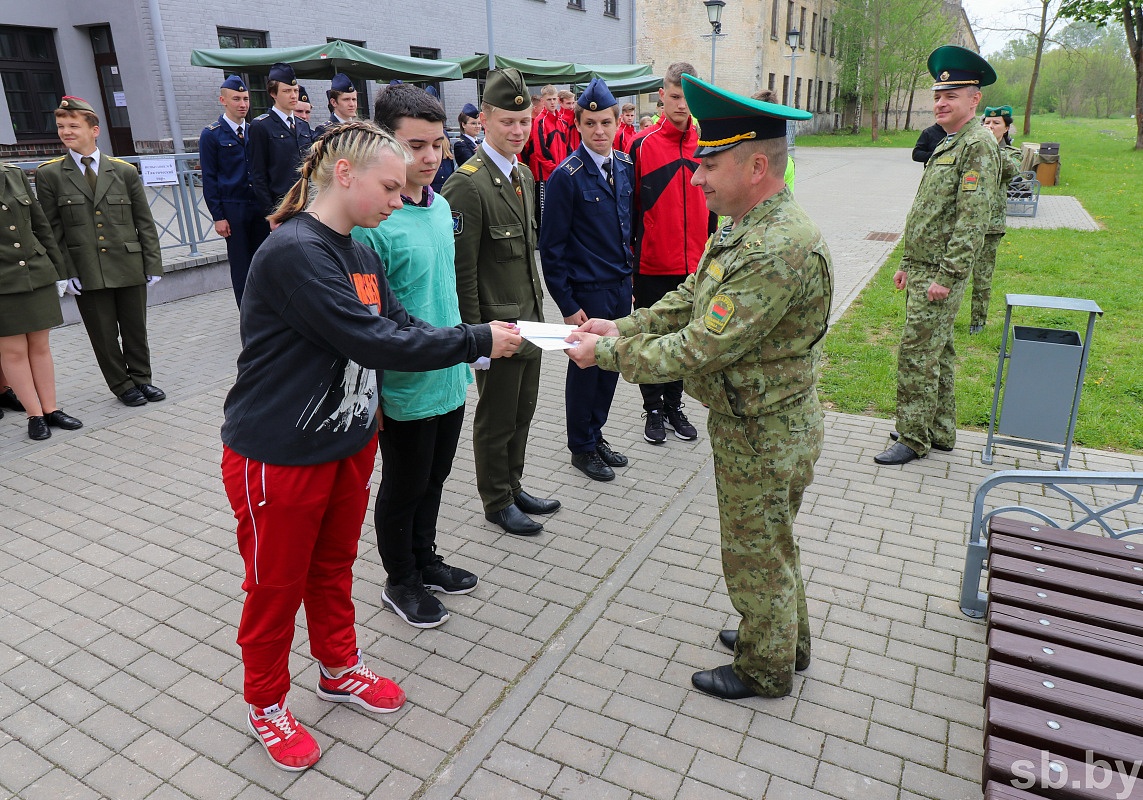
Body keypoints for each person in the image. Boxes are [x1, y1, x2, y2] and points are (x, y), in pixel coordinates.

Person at [221, 120, 522, 771]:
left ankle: (337, 667)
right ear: (345, 175)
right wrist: (475, 342)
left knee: (330, 570)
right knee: (275, 585)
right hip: (279, 455)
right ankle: (266, 702)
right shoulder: (297, 252)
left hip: (346, 444)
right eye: (388, 184)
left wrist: (472, 331)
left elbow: (399, 321)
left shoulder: (357, 247)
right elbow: (373, 341)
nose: (401, 193)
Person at [566, 73, 831, 700]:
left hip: (764, 430)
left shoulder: (776, 247)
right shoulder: (744, 225)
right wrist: (622, 323)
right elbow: (690, 300)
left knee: (755, 549)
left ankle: (764, 670)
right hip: (753, 419)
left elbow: (698, 347)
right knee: (771, 539)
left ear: (757, 165)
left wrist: (605, 353)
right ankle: (782, 638)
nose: (697, 176)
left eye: (711, 163)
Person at [350, 87, 483, 629]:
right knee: (403, 487)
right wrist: (373, 394)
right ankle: (399, 578)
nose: (429, 158)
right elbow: (368, 325)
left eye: (437, 144)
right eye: (415, 146)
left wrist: (471, 352)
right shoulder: (373, 223)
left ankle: (425, 559)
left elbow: (444, 288)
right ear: (385, 144)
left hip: (448, 374)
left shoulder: (441, 203)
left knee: (435, 479)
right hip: (403, 386)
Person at [442, 68, 560, 536]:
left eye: (525, 122)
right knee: (495, 419)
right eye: (508, 122)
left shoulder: (525, 176)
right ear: (485, 119)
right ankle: (496, 500)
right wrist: (477, 343)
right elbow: (463, 273)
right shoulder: (467, 185)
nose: (518, 131)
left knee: (522, 411)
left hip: (527, 323)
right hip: (495, 331)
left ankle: (513, 485)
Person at [874, 46, 1000, 466]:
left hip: (942, 273)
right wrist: (908, 264)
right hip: (924, 268)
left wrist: (947, 275)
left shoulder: (977, 144)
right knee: (940, 351)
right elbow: (930, 211)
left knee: (916, 354)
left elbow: (972, 220)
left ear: (974, 99)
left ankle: (912, 436)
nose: (941, 103)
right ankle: (940, 429)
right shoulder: (953, 140)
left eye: (951, 95)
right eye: (937, 96)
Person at [36, 96, 165, 408]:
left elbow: (144, 221)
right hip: (87, 268)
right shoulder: (50, 174)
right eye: (61, 126)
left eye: (73, 125)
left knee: (135, 327)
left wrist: (153, 262)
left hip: (128, 262)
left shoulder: (123, 171)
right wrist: (64, 272)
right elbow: (52, 230)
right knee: (103, 334)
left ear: (94, 130)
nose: (66, 131)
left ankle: (142, 378)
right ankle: (122, 385)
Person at [540, 78, 634, 482]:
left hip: (620, 288)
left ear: (617, 124)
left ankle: (596, 435)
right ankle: (581, 447)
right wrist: (566, 304)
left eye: (606, 123)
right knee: (584, 370)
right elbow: (552, 247)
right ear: (578, 123)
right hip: (587, 293)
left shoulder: (627, 167)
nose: (599, 131)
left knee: (609, 366)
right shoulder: (567, 175)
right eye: (591, 123)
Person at [627, 62, 712, 445]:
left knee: (684, 340)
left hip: (694, 266)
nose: (682, 105)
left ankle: (676, 405)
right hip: (651, 265)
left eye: (688, 98)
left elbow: (716, 207)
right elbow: (628, 212)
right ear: (662, 96)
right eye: (675, 97)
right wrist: (629, 268)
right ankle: (653, 409)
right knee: (651, 338)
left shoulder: (707, 141)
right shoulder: (641, 145)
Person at [0, 164, 83, 440]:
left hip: (35, 271)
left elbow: (39, 223)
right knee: (13, 351)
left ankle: (51, 409)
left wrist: (58, 270)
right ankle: (34, 415)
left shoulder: (12, 173)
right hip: (2, 281)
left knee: (40, 345)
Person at [200, 75, 270, 307]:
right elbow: (209, 178)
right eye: (237, 98)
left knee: (262, 260)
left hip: (257, 206)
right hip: (233, 207)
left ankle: (266, 308)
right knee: (241, 264)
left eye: (246, 99)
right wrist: (218, 216)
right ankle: (247, 311)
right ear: (223, 100)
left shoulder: (255, 130)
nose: (243, 104)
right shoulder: (212, 134)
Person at [972, 105, 1023, 333]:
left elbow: (1006, 170)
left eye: (996, 124)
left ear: (1007, 128)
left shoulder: (1012, 153)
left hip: (990, 225)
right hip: (964, 222)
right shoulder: (973, 147)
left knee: (982, 277)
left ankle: (978, 320)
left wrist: (989, 144)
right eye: (986, 123)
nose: (990, 127)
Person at [248, 63, 315, 225]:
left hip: (307, 203)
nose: (293, 96)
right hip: (281, 206)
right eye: (287, 91)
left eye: (295, 91)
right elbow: (258, 175)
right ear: (273, 93)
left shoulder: (302, 124)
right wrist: (272, 214)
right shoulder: (261, 125)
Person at [527, 85, 567, 229]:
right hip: (545, 174)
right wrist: (554, 167)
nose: (552, 102)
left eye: (554, 99)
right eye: (549, 99)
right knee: (544, 210)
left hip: (559, 170)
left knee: (560, 206)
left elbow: (566, 147)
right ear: (543, 100)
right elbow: (540, 151)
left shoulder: (561, 121)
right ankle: (543, 239)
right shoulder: (540, 121)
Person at [314, 73, 358, 137]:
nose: (352, 104)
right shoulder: (324, 130)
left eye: (354, 99)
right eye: (346, 99)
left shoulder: (359, 128)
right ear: (333, 102)